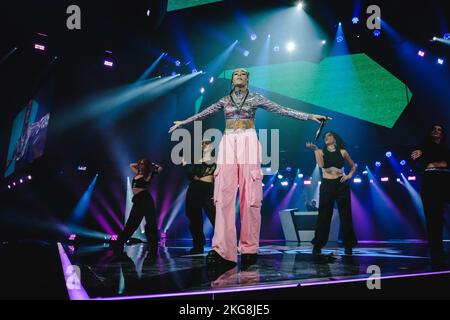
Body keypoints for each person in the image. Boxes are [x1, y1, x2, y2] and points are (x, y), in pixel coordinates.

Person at [169, 67, 330, 267]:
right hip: (228, 140)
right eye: (236, 74)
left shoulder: (256, 98)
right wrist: (184, 122)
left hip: (248, 140)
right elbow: (204, 112)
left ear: (248, 79)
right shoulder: (224, 100)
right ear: (232, 80)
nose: (239, 76)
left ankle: (249, 248)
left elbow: (282, 110)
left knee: (251, 195)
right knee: (223, 195)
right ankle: (223, 251)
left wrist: (309, 116)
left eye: (243, 74)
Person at [306, 131, 357, 255]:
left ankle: (348, 245)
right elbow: (321, 164)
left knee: (346, 215)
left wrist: (349, 176)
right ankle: (318, 244)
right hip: (327, 185)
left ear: (335, 138)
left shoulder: (343, 152)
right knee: (324, 215)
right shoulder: (320, 152)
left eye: (329, 136)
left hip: (341, 184)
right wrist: (315, 150)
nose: (326, 138)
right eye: (325, 137)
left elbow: (353, 166)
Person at [411, 124, 450, 263]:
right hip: (431, 181)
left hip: (445, 180)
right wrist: (438, 163)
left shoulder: (445, 148)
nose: (436, 131)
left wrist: (435, 163)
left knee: (440, 215)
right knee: (433, 215)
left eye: (439, 129)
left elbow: (446, 162)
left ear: (443, 134)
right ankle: (436, 249)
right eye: (434, 128)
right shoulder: (423, 147)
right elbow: (417, 162)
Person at [114, 159, 163, 249]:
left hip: (145, 198)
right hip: (137, 200)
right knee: (131, 223)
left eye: (142, 164)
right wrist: (139, 163)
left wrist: (152, 163)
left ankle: (152, 245)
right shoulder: (138, 172)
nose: (140, 165)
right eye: (140, 164)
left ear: (146, 166)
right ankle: (119, 243)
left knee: (151, 222)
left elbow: (160, 169)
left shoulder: (148, 174)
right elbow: (131, 165)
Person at [182, 139, 216, 254]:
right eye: (202, 143)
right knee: (194, 218)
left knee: (215, 216)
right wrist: (185, 166)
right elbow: (192, 177)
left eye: (206, 143)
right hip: (195, 188)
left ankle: (224, 244)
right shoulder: (198, 160)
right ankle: (198, 245)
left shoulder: (217, 159)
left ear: (212, 146)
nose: (203, 145)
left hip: (208, 189)